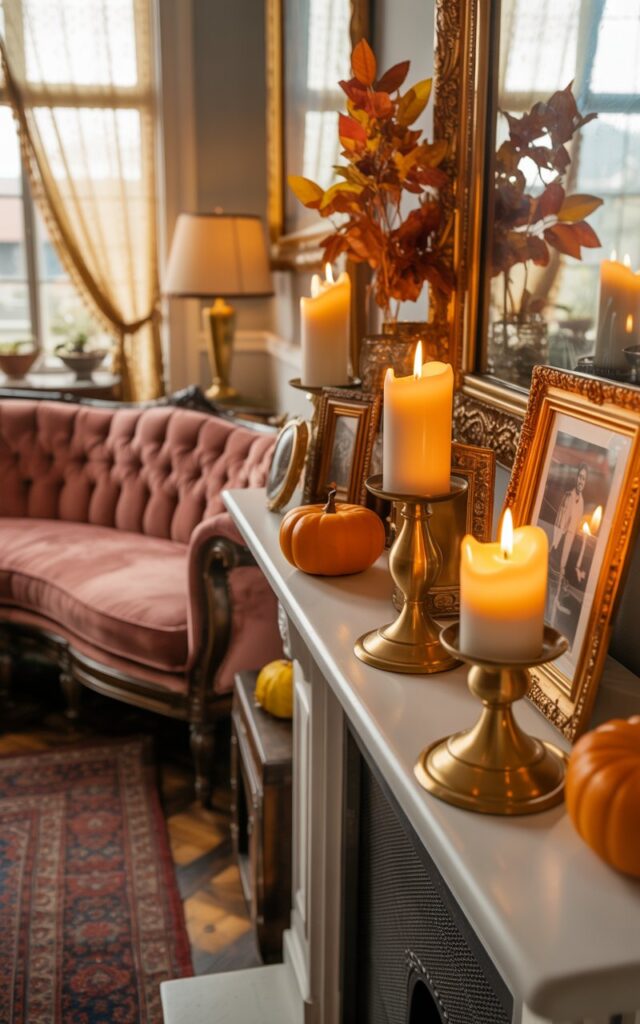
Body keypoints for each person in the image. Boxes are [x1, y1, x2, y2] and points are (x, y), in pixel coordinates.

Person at [549, 463, 587, 619]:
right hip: (560, 540)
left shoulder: (582, 502)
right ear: (576, 477)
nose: (581, 481)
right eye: (580, 477)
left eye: (584, 479)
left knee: (563, 571)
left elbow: (577, 527)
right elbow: (559, 522)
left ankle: (556, 602)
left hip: (570, 542)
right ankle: (550, 605)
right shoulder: (568, 496)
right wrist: (555, 542)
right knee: (555, 571)